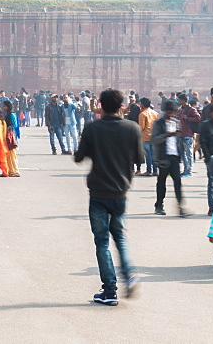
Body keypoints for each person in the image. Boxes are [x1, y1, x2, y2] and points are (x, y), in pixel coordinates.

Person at [73, 88, 143, 306]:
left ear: (100, 105)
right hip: (120, 190)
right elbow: (139, 158)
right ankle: (128, 274)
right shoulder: (132, 128)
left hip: (98, 191)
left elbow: (79, 157)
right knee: (119, 237)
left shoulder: (93, 128)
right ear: (122, 105)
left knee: (102, 241)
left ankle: (110, 290)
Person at [152, 100, 189, 216]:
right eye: (168, 112)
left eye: (172, 112)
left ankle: (180, 206)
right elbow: (154, 140)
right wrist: (166, 135)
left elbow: (178, 139)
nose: (170, 114)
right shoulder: (158, 123)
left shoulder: (176, 122)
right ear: (164, 111)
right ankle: (159, 205)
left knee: (177, 182)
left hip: (174, 156)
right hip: (163, 156)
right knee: (162, 182)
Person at [137, 98, 157, 177]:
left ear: (142, 104)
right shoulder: (155, 113)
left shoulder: (142, 114)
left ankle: (149, 171)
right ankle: (155, 170)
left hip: (145, 136)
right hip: (154, 135)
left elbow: (141, 127)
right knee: (154, 154)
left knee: (148, 155)